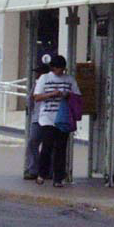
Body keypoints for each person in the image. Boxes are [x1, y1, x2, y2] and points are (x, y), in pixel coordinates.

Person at [33, 53, 81, 188]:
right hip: (47, 118)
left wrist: (67, 95)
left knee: (61, 148)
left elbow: (78, 96)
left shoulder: (70, 80)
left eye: (63, 69)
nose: (61, 72)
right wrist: (52, 94)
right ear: (53, 68)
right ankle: (42, 174)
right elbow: (36, 97)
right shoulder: (44, 78)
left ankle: (58, 177)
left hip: (64, 119)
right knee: (47, 147)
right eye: (59, 69)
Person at [22, 62, 49, 180]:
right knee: (33, 142)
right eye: (37, 73)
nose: (37, 75)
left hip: (49, 118)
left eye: (39, 73)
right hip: (37, 118)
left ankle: (47, 170)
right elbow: (30, 100)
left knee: (49, 145)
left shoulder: (51, 84)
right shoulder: (36, 84)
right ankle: (33, 169)